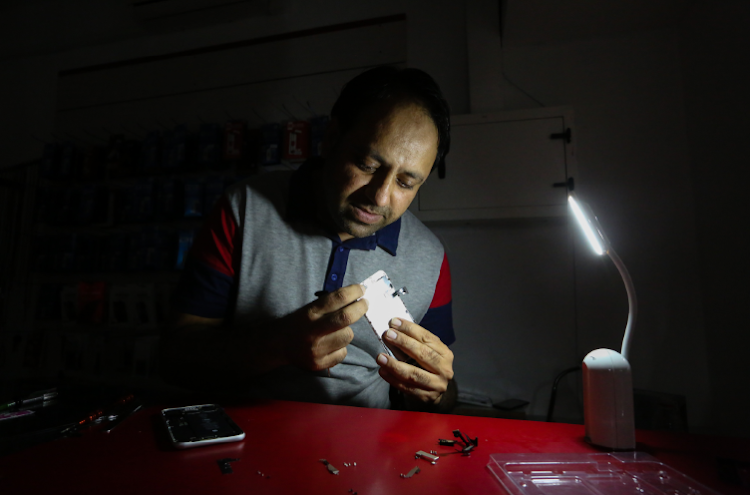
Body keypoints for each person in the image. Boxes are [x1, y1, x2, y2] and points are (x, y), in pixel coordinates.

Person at [160, 66, 456, 412]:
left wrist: (434, 392)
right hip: (241, 443)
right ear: (331, 139)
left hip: (366, 456)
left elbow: (444, 397)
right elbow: (173, 360)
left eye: (406, 183)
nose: (380, 197)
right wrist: (276, 347)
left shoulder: (429, 256)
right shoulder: (245, 209)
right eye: (367, 165)